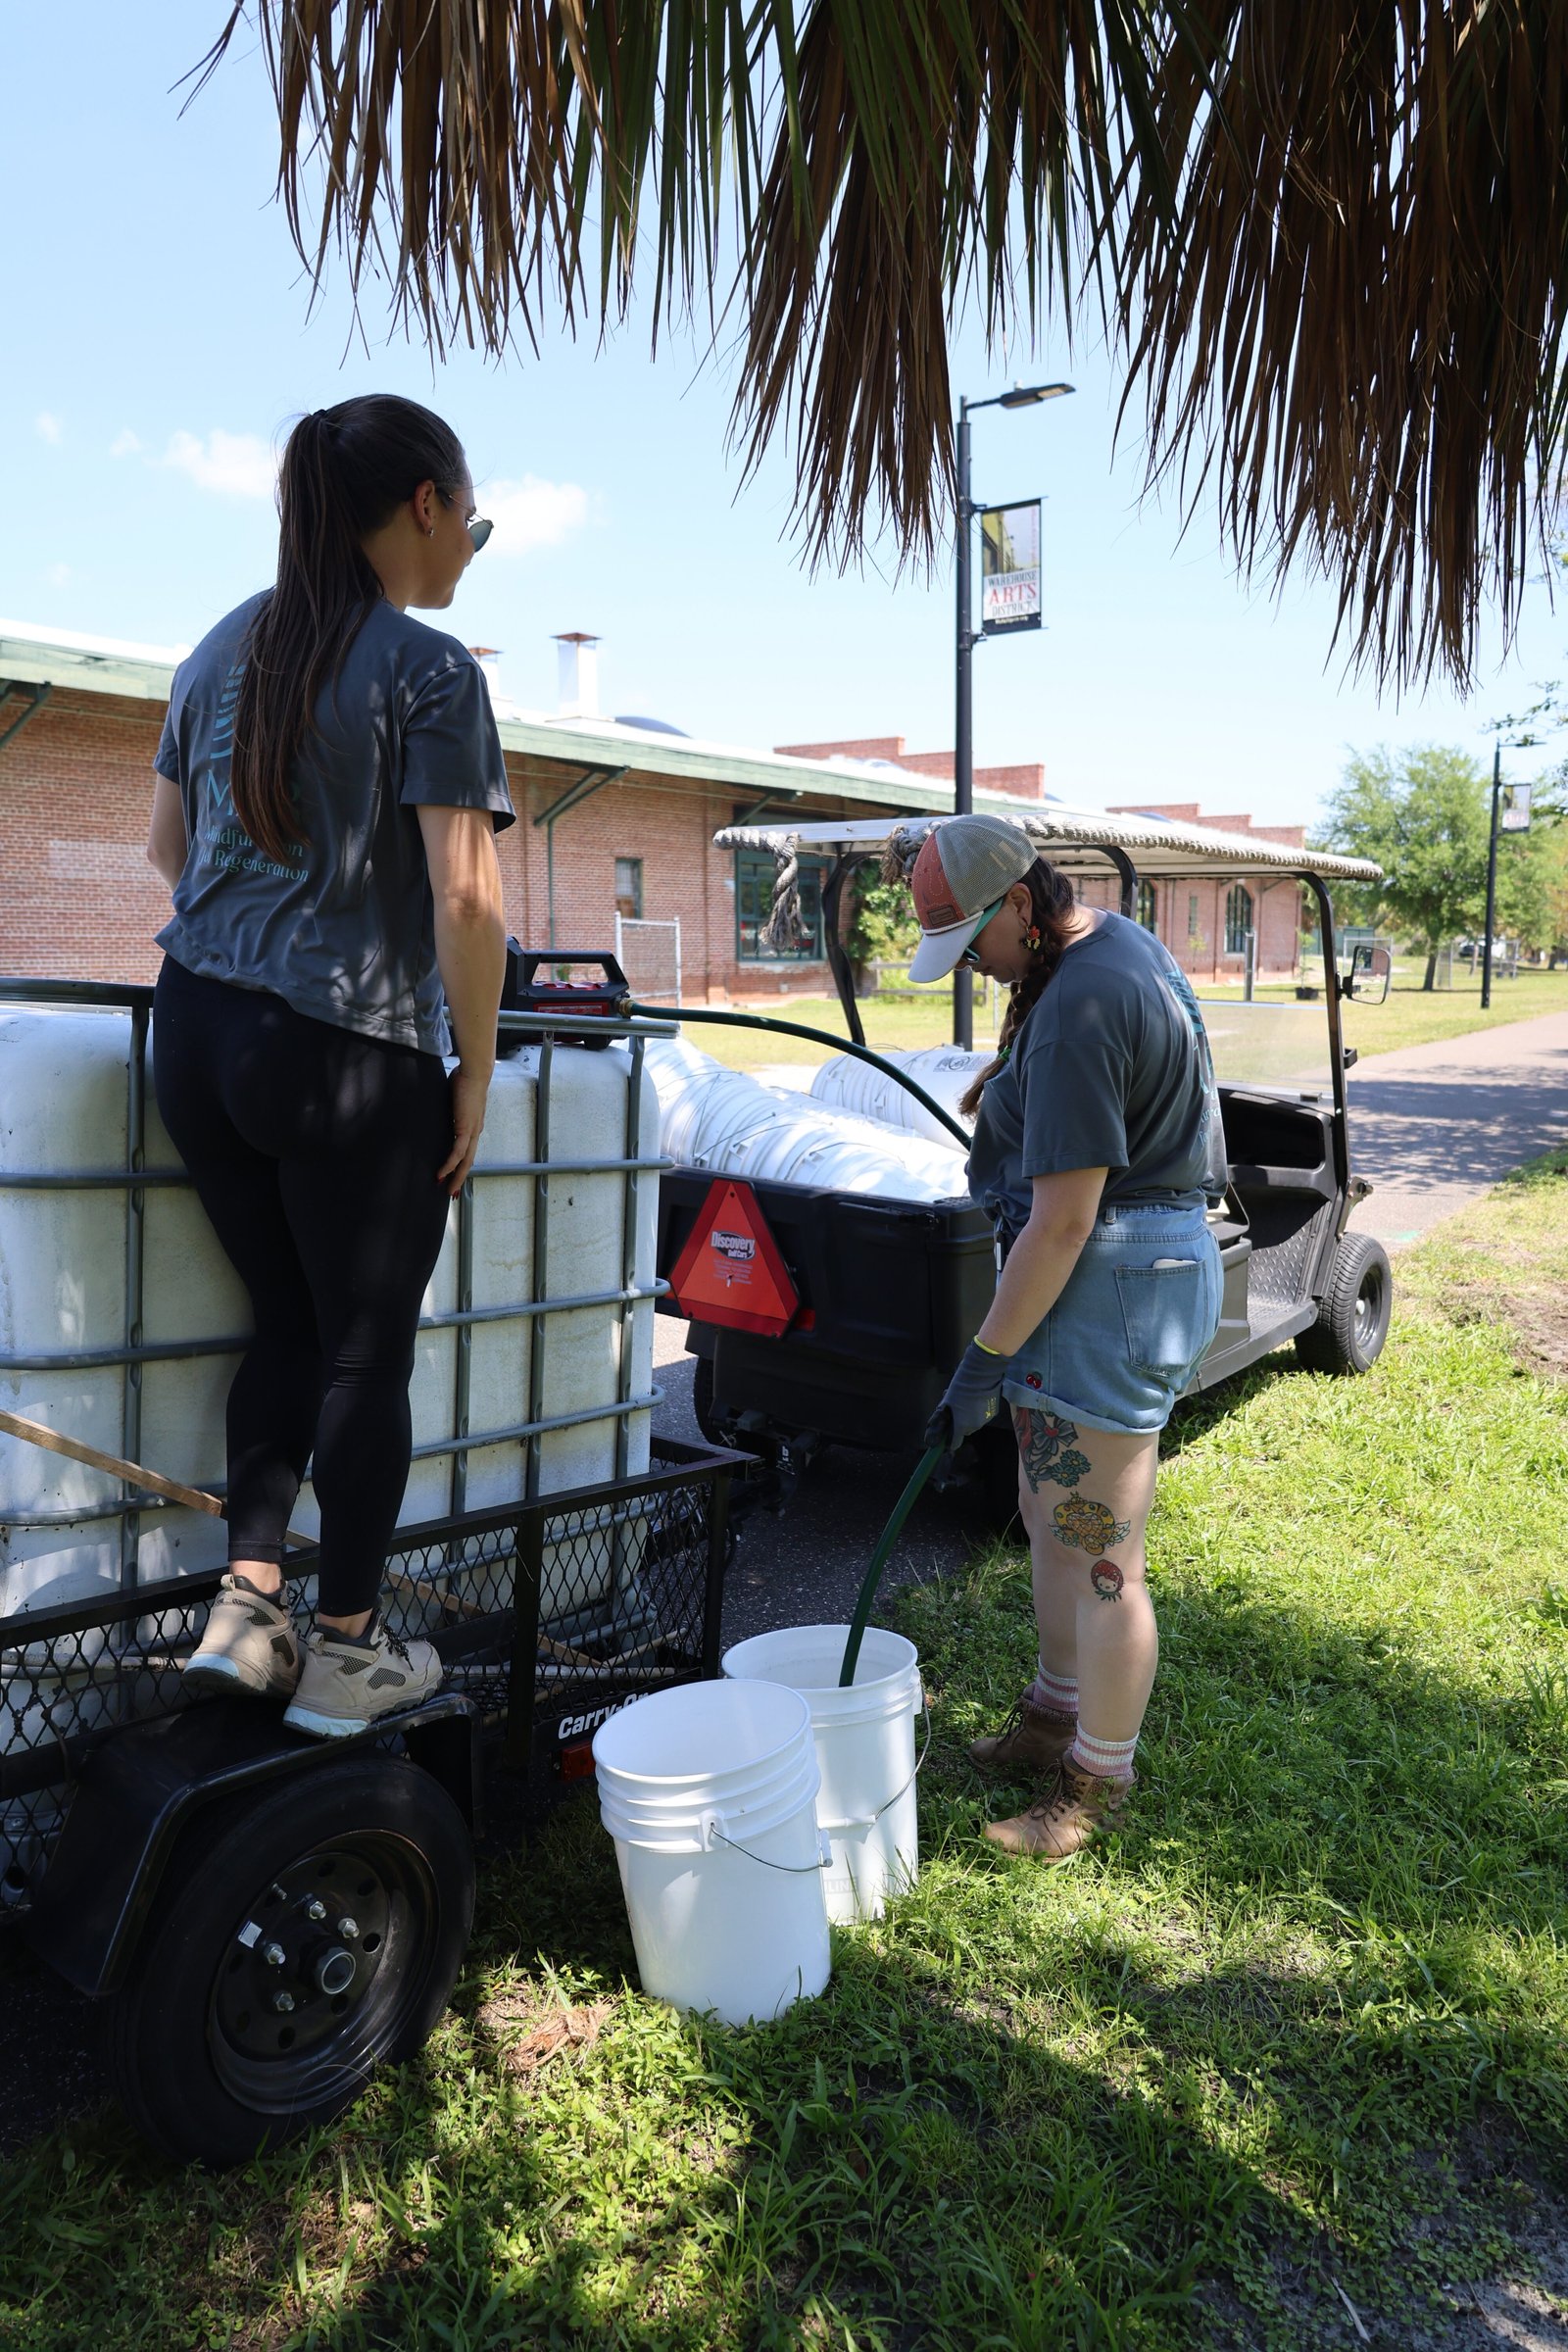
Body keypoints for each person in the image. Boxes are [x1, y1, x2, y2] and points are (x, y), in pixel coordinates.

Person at [145, 393, 513, 1738]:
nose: (470, 543)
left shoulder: (220, 646)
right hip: (346, 1048)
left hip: (196, 1030)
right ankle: (350, 1650)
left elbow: (166, 852)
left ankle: (247, 1615)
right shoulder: (428, 667)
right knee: (365, 1355)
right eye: (471, 518)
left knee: (285, 1324)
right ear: (424, 504)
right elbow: (464, 897)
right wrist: (474, 1070)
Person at [909, 813, 1224, 1858]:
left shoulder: (1083, 1005)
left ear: (1018, 903)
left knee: (1101, 1553)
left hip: (1112, 1282)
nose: (975, 967)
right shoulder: (1104, 943)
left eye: (974, 945)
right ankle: (1053, 1716)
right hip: (1110, 1277)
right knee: (1051, 1517)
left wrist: (982, 1361)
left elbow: (1063, 1221)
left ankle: (1096, 1784)